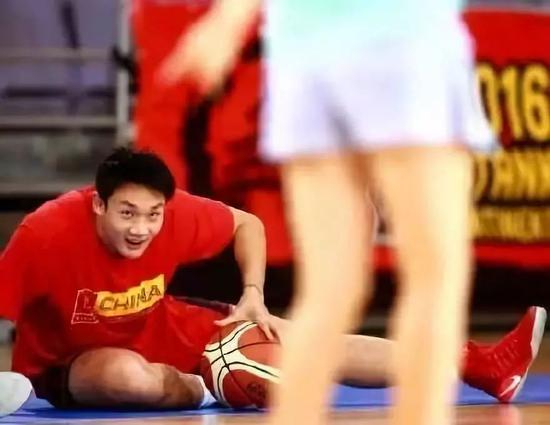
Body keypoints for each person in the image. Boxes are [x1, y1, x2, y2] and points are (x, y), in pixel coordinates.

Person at [159, 0, 506, 424]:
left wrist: (227, 21)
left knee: (329, 290)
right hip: (402, 41)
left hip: (307, 59)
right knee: (434, 278)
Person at [0, 148, 545, 417]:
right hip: (72, 362)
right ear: (98, 204)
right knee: (122, 376)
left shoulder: (177, 213)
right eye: (126, 214)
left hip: (161, 327)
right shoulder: (45, 234)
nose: (141, 228)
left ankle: (484, 367)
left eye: (152, 215)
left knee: (299, 341)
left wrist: (253, 296)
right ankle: (210, 388)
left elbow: (248, 225)